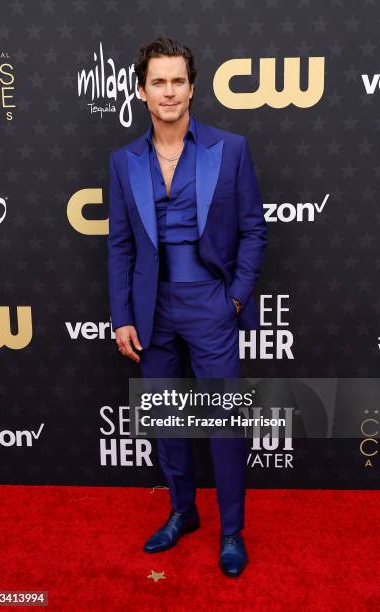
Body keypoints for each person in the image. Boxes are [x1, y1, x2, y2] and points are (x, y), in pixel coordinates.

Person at [108, 36, 267, 577]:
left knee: (224, 424)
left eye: (178, 80)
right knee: (166, 422)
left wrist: (235, 299)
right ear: (141, 91)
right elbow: (121, 245)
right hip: (152, 312)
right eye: (158, 82)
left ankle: (230, 530)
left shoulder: (230, 149)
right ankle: (182, 512)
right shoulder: (123, 161)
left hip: (210, 304)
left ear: (192, 88)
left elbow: (253, 232)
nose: (169, 91)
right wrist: (122, 315)